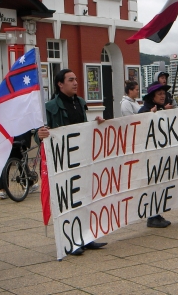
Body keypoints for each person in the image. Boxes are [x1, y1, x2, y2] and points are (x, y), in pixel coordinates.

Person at [37, 69, 107, 255]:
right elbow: (39, 135)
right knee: (67, 201)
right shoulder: (50, 106)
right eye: (71, 80)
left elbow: (83, 127)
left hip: (81, 158)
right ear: (60, 84)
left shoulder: (81, 103)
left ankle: (87, 237)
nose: (75, 83)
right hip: (62, 162)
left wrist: (96, 123)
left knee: (84, 198)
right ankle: (71, 241)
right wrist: (40, 135)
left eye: (76, 79)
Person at [138, 81, 172, 228]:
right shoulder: (144, 110)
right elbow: (139, 127)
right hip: (149, 156)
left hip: (159, 153)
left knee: (159, 184)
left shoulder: (161, 109)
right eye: (160, 94)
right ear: (152, 96)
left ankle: (157, 213)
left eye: (164, 93)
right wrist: (149, 116)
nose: (163, 96)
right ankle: (152, 216)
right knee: (152, 184)